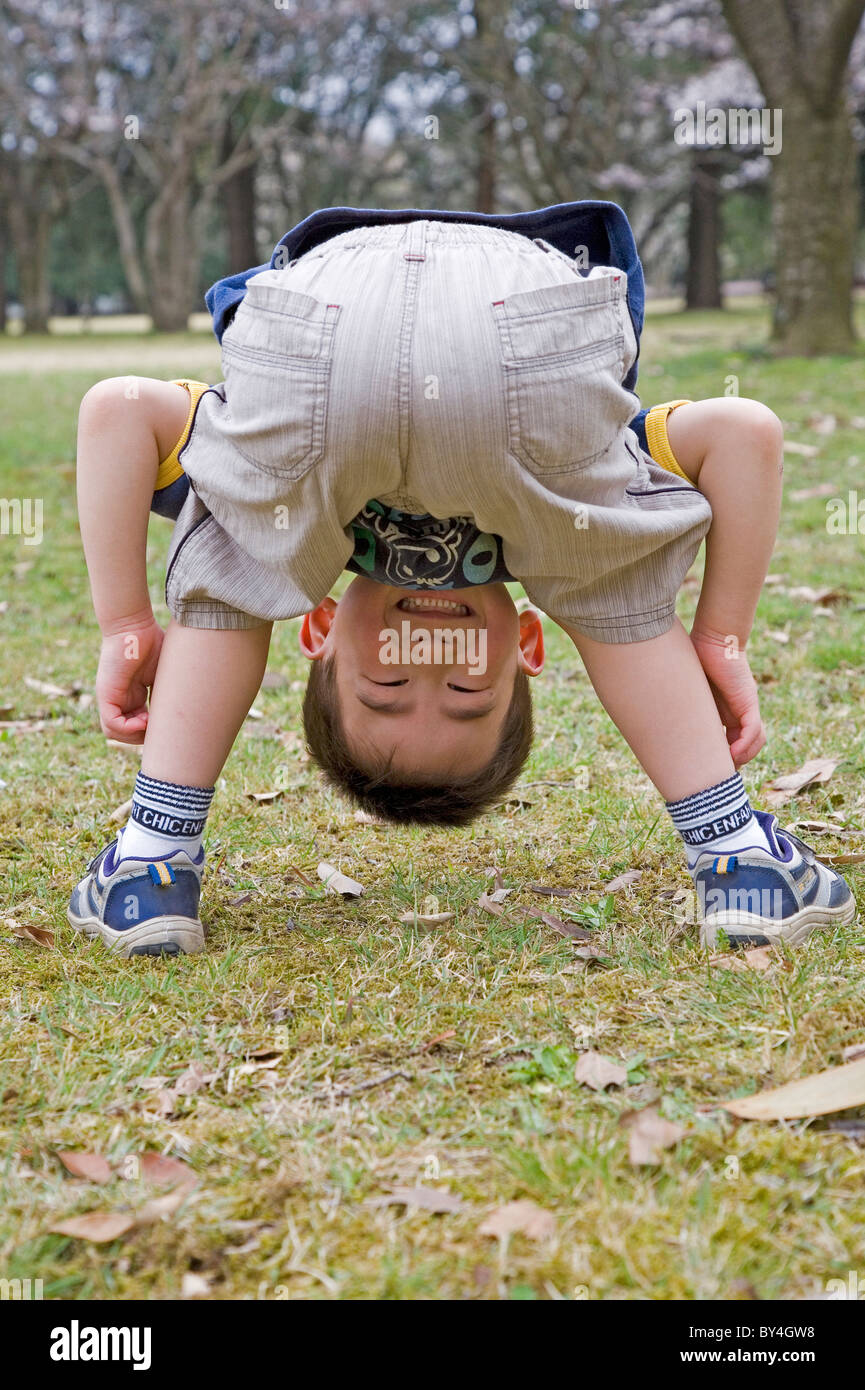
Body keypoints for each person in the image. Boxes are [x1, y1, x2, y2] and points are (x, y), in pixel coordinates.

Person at [68, 207, 855, 956]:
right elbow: (744, 433)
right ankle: (733, 851)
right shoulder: (566, 520)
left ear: (320, 628)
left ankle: (155, 855)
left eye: (388, 679)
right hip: (491, 314)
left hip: (345, 316)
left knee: (247, 550)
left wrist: (127, 627)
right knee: (596, 565)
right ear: (526, 641)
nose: (432, 657)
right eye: (466, 692)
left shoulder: (285, 523)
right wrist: (717, 638)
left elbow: (116, 413)